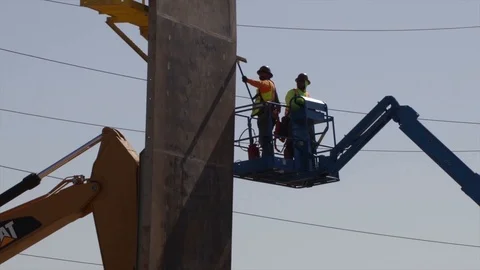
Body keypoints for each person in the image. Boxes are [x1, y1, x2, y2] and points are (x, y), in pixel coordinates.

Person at [242, 65, 280, 157]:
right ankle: (266, 155)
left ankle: (267, 156)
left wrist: (247, 80)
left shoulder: (266, 83)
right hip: (267, 114)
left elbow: (258, 83)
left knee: (265, 137)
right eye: (260, 73)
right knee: (265, 137)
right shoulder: (271, 85)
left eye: (263, 73)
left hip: (265, 114)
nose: (261, 75)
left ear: (268, 75)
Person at [283, 73, 315, 159]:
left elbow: (310, 106)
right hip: (293, 120)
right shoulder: (292, 92)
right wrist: (302, 104)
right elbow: (290, 103)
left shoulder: (307, 95)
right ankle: (289, 158)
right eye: (298, 81)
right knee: (291, 141)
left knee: (308, 140)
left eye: (301, 81)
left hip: (305, 122)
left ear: (306, 83)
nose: (299, 83)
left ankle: (311, 152)